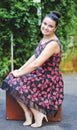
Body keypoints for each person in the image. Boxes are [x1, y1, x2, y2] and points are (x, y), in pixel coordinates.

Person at [0, 11, 64, 128]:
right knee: (10, 78)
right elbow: (34, 56)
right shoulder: (44, 39)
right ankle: (28, 113)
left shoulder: (53, 44)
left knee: (15, 80)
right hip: (40, 74)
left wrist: (19, 73)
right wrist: (19, 69)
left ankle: (37, 113)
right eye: (45, 24)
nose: (46, 27)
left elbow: (36, 64)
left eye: (50, 26)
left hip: (49, 79)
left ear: (55, 28)